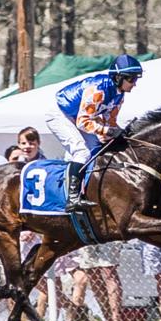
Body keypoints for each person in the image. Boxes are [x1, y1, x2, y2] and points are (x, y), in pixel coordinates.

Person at [45, 54, 143, 210]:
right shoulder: (98, 90)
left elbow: (109, 122)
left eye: (136, 79)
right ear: (118, 77)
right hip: (60, 114)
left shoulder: (119, 96)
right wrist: (109, 131)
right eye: (131, 79)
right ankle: (72, 198)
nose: (135, 84)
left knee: (98, 149)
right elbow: (83, 122)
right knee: (81, 152)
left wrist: (120, 133)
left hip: (77, 117)